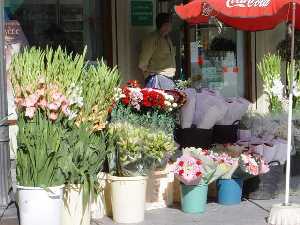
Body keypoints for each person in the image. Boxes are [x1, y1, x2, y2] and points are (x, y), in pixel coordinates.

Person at [139, 13, 176, 89]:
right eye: (170, 23)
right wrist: (150, 72)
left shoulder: (168, 39)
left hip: (168, 77)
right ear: (165, 24)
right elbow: (142, 62)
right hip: (157, 78)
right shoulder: (152, 39)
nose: (171, 26)